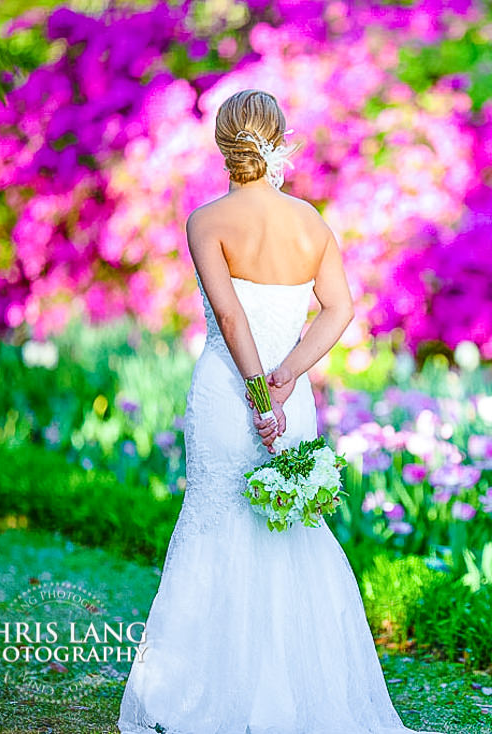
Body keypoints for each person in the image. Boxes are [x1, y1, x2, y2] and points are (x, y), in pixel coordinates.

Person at [117, 89, 440, 734]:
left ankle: (208, 698)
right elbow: (340, 311)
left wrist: (258, 392)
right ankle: (292, 697)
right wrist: (286, 382)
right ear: (279, 139)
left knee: (216, 525)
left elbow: (229, 316)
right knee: (285, 531)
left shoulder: (205, 221)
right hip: (292, 400)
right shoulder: (312, 223)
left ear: (224, 147)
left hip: (225, 391)